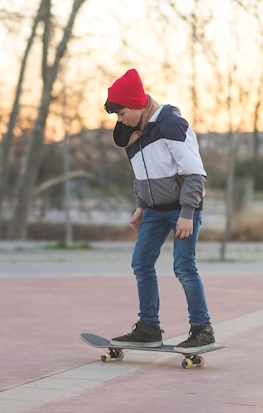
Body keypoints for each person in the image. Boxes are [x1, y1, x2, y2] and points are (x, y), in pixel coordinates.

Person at [103, 68, 215, 353]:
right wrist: (140, 206)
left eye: (122, 112)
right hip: (153, 210)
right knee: (141, 263)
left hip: (182, 209)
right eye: (116, 115)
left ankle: (202, 329)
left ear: (138, 104)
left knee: (184, 266)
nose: (120, 119)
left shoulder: (171, 125)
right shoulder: (132, 132)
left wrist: (188, 213)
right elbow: (143, 175)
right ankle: (148, 328)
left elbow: (194, 173)